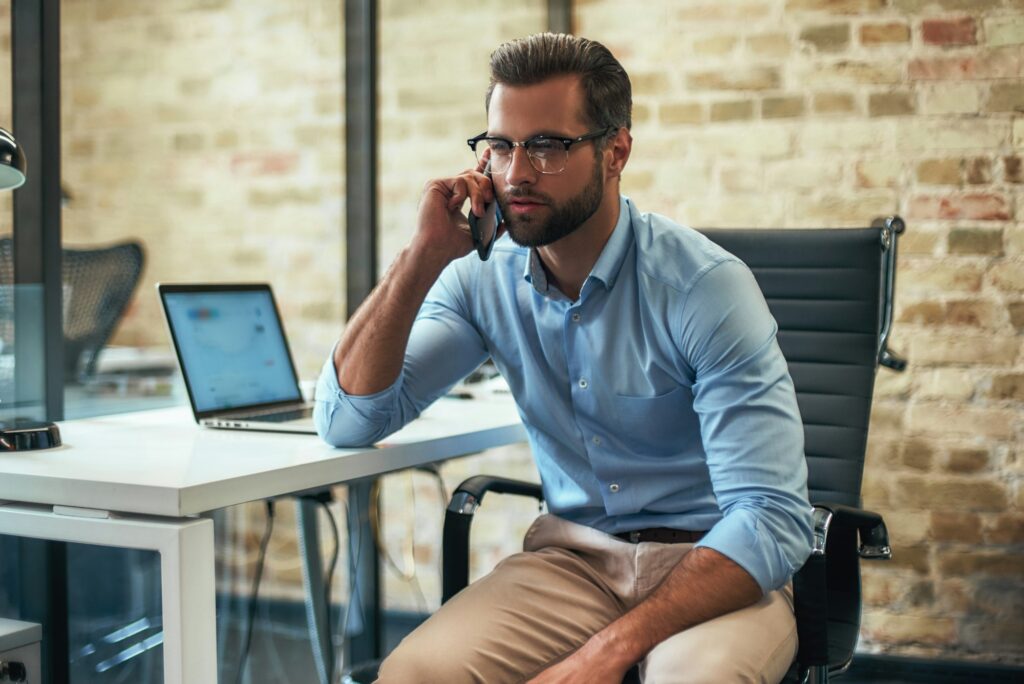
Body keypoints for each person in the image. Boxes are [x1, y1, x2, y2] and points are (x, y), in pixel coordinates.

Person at [315, 32, 813, 684]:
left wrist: (602, 656)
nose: (515, 174)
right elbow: (349, 422)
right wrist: (421, 258)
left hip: (714, 566)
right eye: (499, 146)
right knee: (412, 674)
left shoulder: (703, 287)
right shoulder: (481, 280)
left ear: (616, 151)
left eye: (547, 146)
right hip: (573, 564)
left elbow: (770, 520)